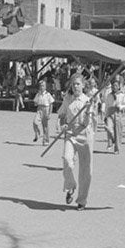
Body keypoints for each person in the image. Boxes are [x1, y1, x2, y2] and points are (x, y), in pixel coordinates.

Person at [58, 72, 93, 209]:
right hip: (71, 134)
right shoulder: (68, 99)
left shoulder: (87, 100)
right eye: (73, 84)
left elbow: (86, 122)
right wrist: (63, 124)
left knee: (86, 170)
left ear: (83, 85)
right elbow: (61, 115)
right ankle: (70, 186)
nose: (75, 86)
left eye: (78, 84)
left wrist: (89, 109)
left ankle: (82, 201)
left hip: (84, 135)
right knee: (67, 160)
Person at [103, 76, 125, 153]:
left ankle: (117, 148)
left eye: (116, 85)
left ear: (119, 86)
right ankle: (112, 139)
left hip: (118, 113)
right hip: (110, 112)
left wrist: (120, 107)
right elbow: (107, 105)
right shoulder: (109, 95)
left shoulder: (121, 95)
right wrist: (105, 115)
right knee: (109, 128)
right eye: (113, 85)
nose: (114, 87)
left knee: (118, 131)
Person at [32, 79, 54, 145]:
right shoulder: (38, 94)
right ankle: (37, 133)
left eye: (43, 86)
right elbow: (35, 102)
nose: (42, 87)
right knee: (35, 122)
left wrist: (50, 113)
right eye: (41, 86)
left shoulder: (48, 94)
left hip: (46, 109)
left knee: (45, 126)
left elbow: (51, 104)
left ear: (45, 87)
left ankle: (46, 140)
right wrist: (36, 103)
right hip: (39, 109)